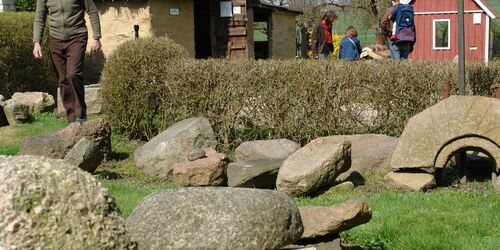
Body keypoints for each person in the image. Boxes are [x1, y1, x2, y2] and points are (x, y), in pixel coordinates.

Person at [33, 0, 102, 123]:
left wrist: (96, 37)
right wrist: (36, 42)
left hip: (77, 37)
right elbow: (40, 17)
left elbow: (92, 10)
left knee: (73, 74)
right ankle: (71, 117)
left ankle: (81, 113)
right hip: (55, 40)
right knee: (63, 79)